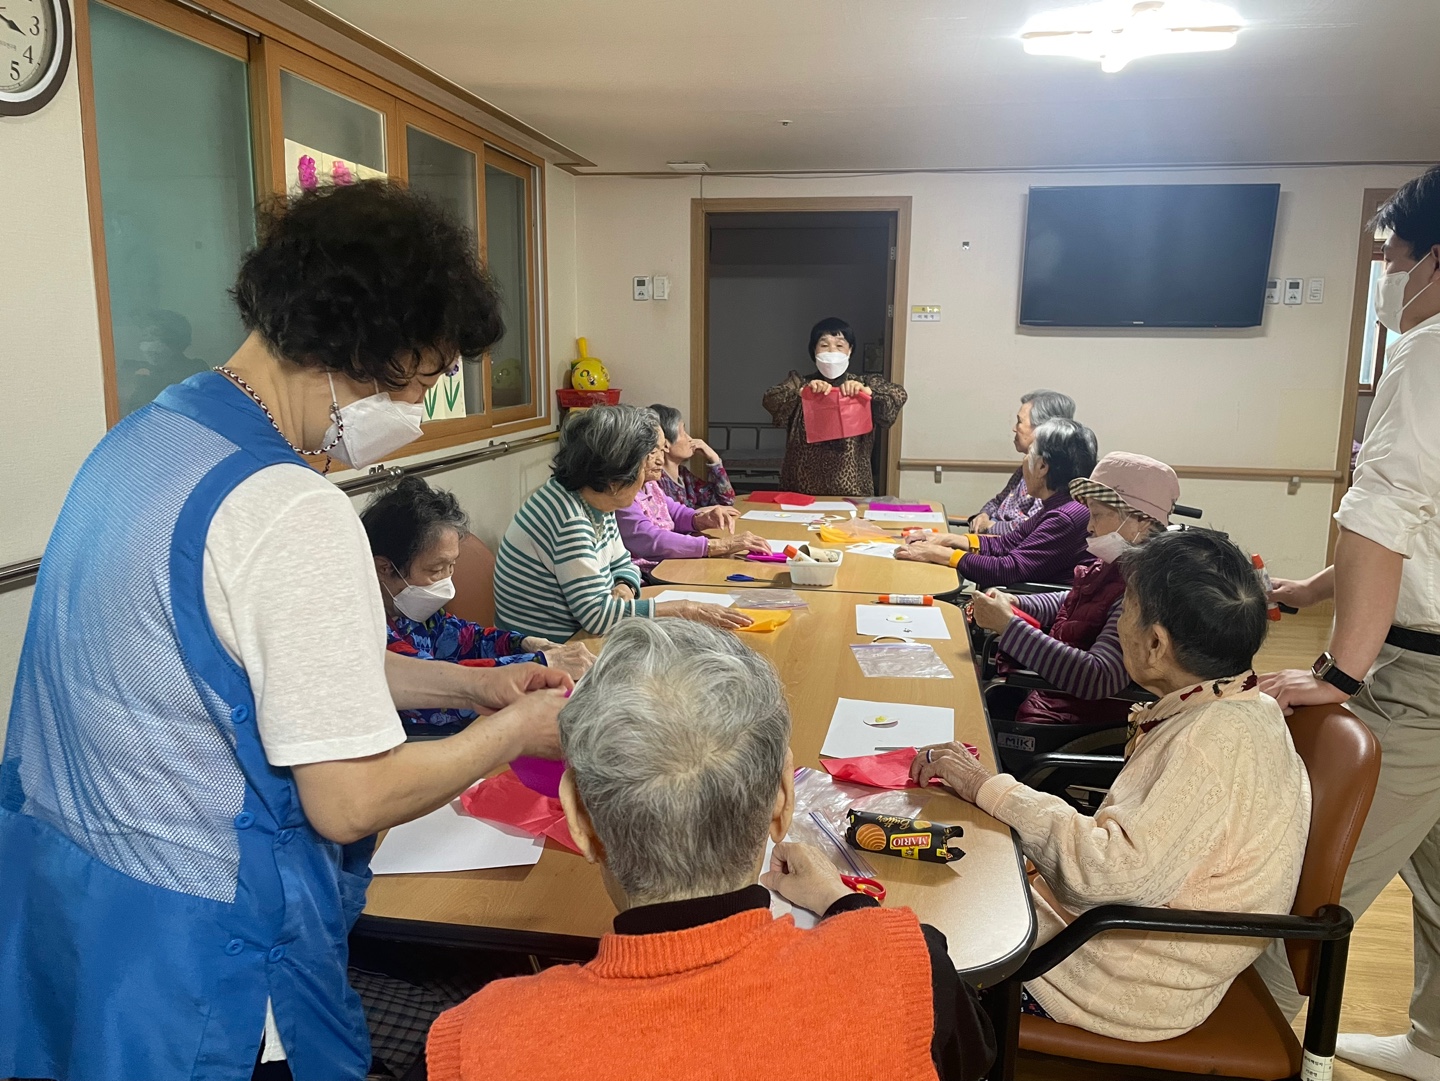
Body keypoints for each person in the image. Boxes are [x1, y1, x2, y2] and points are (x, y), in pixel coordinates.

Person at [0, 181, 573, 1081]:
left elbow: (278, 664)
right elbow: (349, 799)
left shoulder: (145, 440)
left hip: (84, 910)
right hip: (212, 958)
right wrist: (516, 730)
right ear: (366, 346)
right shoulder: (287, 506)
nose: (418, 411)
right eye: (423, 379)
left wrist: (473, 685)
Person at [426, 618, 996, 1081]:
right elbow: (971, 1056)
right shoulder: (905, 964)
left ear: (578, 818)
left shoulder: (479, 1042)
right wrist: (845, 904)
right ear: (782, 800)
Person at [914, 529, 1311, 1042]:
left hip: (1117, 975)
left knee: (910, 946)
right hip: (1140, 944)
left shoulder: (1207, 743)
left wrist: (985, 787)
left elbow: (1107, 876)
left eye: (1126, 608)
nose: (1118, 621)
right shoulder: (1245, 703)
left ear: (1156, 644)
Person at [1257, 166, 1440, 1081]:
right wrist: (1313, 588)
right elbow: (1417, 528)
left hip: (1421, 680)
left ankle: (1244, 1049)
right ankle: (1432, 1043)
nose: (1390, 280)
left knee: (1309, 879)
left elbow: (1386, 513)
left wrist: (1339, 672)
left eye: (1395, 259)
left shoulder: (1429, 347)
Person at [495, 404, 753, 641]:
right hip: (555, 648)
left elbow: (623, 562)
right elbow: (598, 617)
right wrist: (685, 610)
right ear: (616, 475)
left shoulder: (597, 500)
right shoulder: (570, 519)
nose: (650, 476)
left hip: (584, 633)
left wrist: (625, 586)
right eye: (644, 464)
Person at [361, 476, 596, 736]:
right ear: (384, 568)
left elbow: (465, 638)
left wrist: (524, 644)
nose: (446, 581)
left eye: (452, 566)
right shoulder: (366, 629)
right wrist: (538, 664)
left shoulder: (411, 611)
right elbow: (435, 689)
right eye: (436, 570)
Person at [971, 452, 1178, 726]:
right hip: (1051, 698)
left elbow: (1098, 676)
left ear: (1142, 521)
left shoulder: (1143, 590)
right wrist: (1018, 603)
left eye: (1097, 515)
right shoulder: (1117, 564)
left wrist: (1009, 627)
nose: (1089, 526)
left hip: (1072, 721)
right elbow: (1075, 600)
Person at [897, 418, 1097, 590]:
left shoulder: (1065, 516)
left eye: (1029, 454)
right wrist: (945, 539)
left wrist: (940, 554)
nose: (1024, 461)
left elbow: (1009, 569)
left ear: (1043, 466)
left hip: (1032, 604)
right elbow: (1007, 543)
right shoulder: (1060, 504)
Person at [762, 316, 907, 497]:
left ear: (850, 350)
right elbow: (771, 399)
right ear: (814, 350)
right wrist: (802, 392)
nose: (832, 351)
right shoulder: (799, 382)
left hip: (853, 490)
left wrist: (868, 392)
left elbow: (898, 395)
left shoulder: (864, 382)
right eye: (824, 345)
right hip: (800, 489)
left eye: (839, 345)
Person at [615, 414, 770, 573]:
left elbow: (674, 512)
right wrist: (718, 545)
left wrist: (700, 519)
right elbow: (649, 539)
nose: (660, 459)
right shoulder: (623, 495)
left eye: (661, 450)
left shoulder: (651, 484)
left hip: (668, 564)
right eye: (654, 452)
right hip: (649, 573)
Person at [970, 390, 1077, 535]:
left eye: (1019, 421)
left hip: (1004, 543)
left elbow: (1031, 526)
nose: (1014, 428)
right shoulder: (1026, 467)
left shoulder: (1049, 475)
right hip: (989, 537)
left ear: (1043, 429)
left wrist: (989, 527)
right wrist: (983, 515)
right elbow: (998, 501)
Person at [649, 402, 736, 507]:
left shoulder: (684, 475)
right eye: (683, 433)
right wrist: (699, 513)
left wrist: (714, 459)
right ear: (665, 445)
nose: (690, 439)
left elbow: (726, 500)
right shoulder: (655, 481)